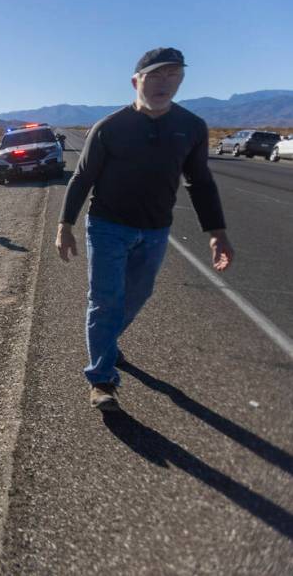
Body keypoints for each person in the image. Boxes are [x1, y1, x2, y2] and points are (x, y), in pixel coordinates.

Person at [56, 47, 234, 411]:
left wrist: (217, 231)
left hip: (155, 231)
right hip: (107, 226)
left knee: (137, 296)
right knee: (106, 301)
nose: (163, 83)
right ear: (136, 81)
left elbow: (199, 182)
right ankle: (102, 380)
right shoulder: (110, 128)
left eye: (173, 75)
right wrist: (65, 225)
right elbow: (82, 177)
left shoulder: (192, 127)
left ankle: (106, 342)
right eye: (155, 75)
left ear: (181, 80)